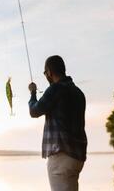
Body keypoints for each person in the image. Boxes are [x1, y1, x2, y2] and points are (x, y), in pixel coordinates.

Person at [28, 55, 87, 191]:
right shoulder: (79, 93)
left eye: (45, 73)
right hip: (77, 158)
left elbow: (34, 111)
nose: (46, 75)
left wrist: (32, 93)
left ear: (49, 72)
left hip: (61, 156)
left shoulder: (56, 89)